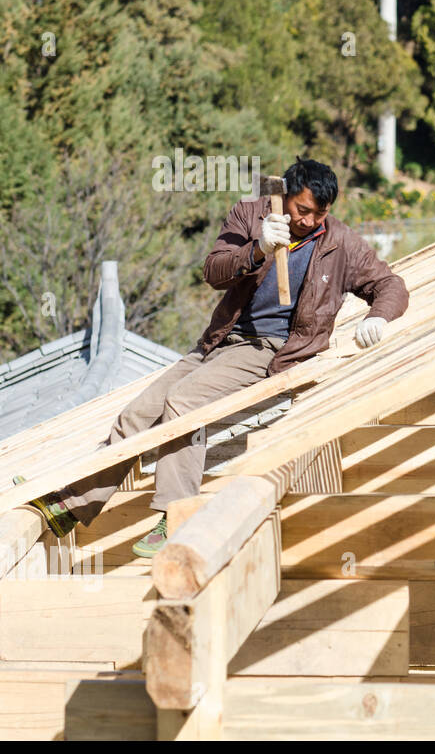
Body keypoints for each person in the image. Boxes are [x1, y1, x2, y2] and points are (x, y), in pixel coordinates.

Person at [23, 158, 409, 557]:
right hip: (220, 340)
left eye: (320, 214)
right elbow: (213, 272)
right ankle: (72, 505)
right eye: (303, 211)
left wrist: (378, 317)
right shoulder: (249, 214)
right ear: (284, 196)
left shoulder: (340, 243)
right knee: (137, 414)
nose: (311, 222)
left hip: (274, 349)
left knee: (184, 402)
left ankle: (178, 514)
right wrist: (257, 249)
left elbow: (390, 285)